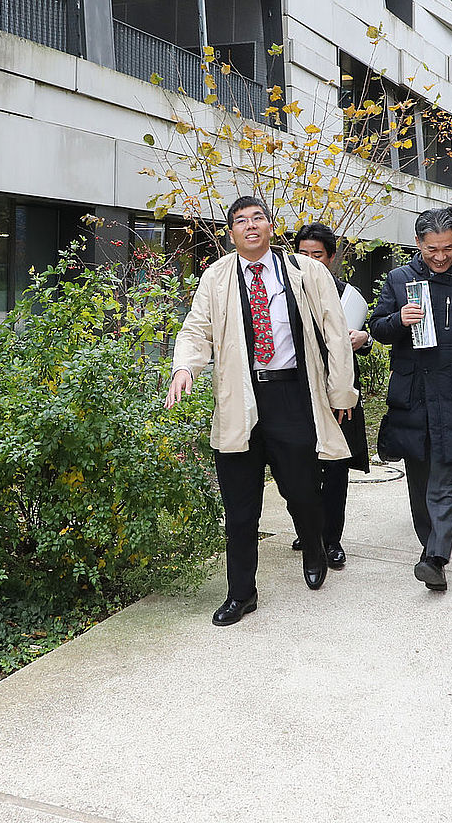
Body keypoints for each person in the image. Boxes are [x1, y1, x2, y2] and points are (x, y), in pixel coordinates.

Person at [167, 196, 359, 626]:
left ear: (271, 227)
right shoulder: (216, 277)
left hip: (292, 396)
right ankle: (242, 593)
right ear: (231, 232)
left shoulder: (305, 271)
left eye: (258, 218)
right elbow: (197, 328)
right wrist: (185, 366)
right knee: (240, 506)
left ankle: (313, 546)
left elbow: (335, 335)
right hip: (239, 398)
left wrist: (341, 392)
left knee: (303, 491)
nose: (250, 226)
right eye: (240, 221)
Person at [369, 207, 452, 591]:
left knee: (446, 477)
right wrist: (398, 321)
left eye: (448, 248)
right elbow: (377, 329)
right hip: (413, 394)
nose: (440, 256)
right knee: (419, 480)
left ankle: (435, 556)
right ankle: (430, 545)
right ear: (418, 244)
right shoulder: (399, 279)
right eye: (431, 249)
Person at [292, 222, 373, 569]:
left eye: (317, 255)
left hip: (337, 393)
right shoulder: (283, 292)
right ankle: (308, 529)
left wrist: (363, 338)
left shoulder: (346, 294)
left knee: (336, 467)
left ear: (332, 257)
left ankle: (332, 540)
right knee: (298, 468)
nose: (310, 261)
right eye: (303, 254)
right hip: (296, 393)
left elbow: (365, 340)